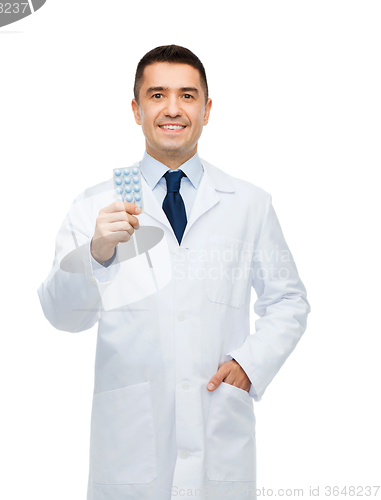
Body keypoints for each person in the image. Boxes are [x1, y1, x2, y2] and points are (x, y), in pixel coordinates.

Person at [37, 44, 311, 500]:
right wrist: (97, 250)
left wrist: (250, 363)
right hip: (130, 447)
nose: (172, 108)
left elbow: (289, 300)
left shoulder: (249, 204)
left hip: (217, 429)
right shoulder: (93, 205)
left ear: (206, 110)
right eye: (157, 94)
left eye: (187, 96)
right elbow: (62, 316)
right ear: (136, 108)